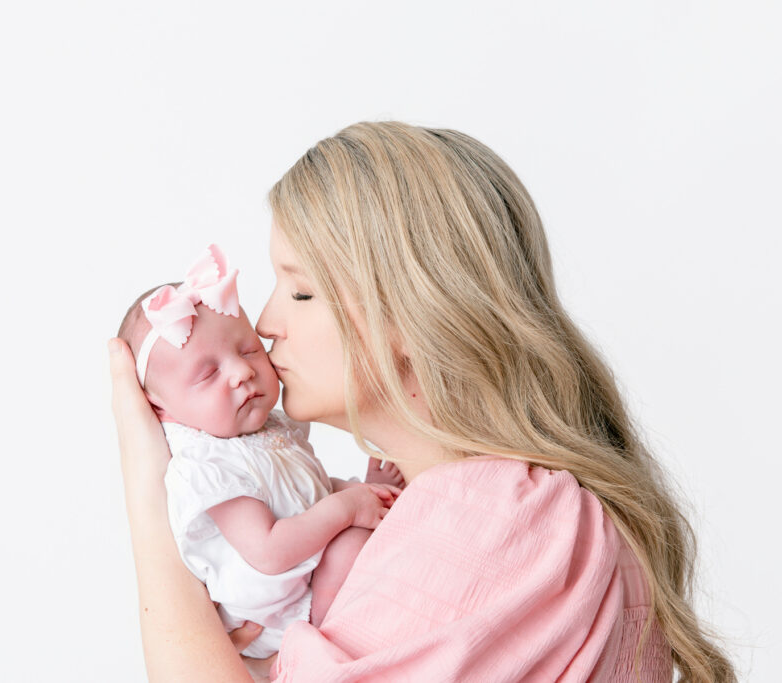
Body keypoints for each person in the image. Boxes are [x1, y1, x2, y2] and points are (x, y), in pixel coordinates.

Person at [109, 122, 737, 681]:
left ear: (411, 316)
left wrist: (151, 494)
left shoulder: (490, 522)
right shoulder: (488, 510)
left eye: (301, 293)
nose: (265, 323)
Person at [116, 243, 403, 658]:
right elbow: (269, 551)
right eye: (208, 373)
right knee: (350, 548)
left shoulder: (268, 433)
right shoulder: (207, 466)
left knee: (360, 539)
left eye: (249, 349)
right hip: (277, 615)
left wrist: (357, 490)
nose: (242, 371)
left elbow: (307, 495)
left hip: (306, 573)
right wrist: (349, 508)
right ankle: (321, 654)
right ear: (163, 409)